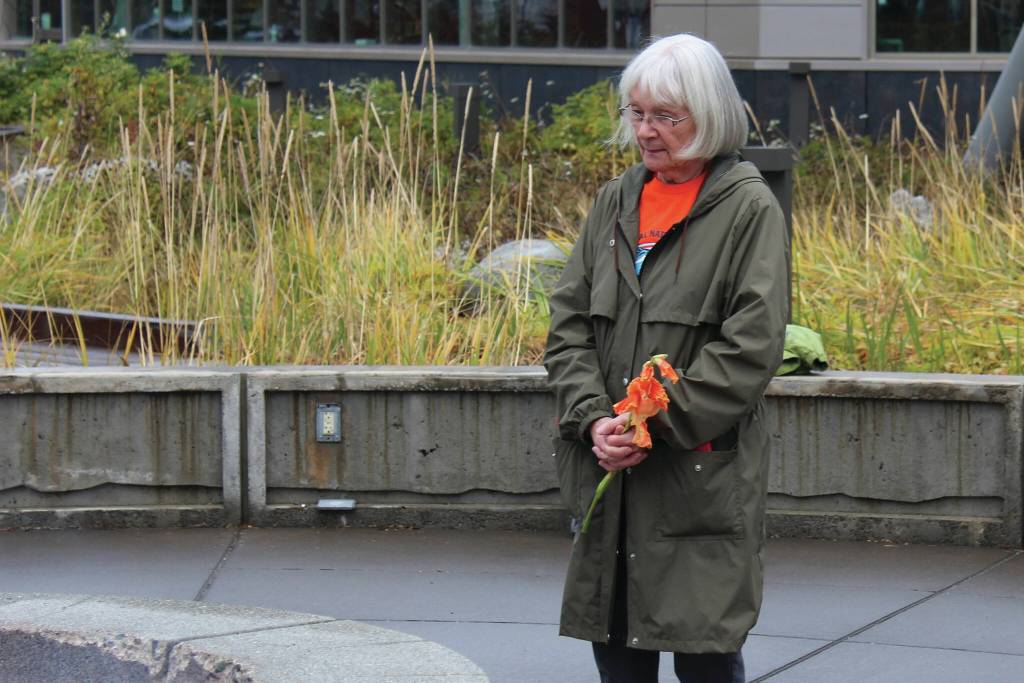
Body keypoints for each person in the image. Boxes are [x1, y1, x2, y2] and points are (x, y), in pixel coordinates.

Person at [544, 33, 789, 683]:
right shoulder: (615, 202)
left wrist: (650, 423)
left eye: (665, 116)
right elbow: (567, 326)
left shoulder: (747, 208)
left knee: (707, 661)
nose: (646, 132)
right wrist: (596, 419)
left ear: (707, 114)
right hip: (613, 481)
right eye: (637, 113)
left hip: (696, 488)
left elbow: (750, 347)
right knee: (619, 659)